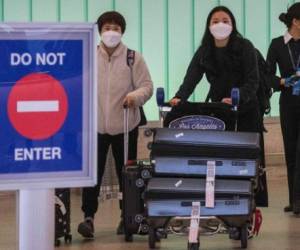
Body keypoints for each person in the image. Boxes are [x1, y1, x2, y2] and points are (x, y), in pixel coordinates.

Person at [170, 6, 268, 206]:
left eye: (225, 20)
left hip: (247, 109)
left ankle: (251, 203)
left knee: (247, 159)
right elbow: (191, 79)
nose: (220, 24)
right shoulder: (204, 51)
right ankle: (222, 199)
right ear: (208, 26)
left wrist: (238, 97)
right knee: (221, 159)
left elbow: (253, 80)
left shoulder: (245, 46)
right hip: (219, 110)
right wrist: (179, 97)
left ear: (232, 25)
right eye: (215, 21)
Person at [77, 11, 153, 238]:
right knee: (93, 175)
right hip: (96, 126)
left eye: (116, 28)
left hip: (126, 125)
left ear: (122, 32)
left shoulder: (133, 57)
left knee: (127, 176)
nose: (111, 32)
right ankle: (88, 218)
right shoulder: (88, 55)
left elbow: (146, 86)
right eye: (107, 27)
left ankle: (127, 217)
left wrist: (135, 96)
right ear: (100, 31)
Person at [267, 3, 300, 214]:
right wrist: (282, 82)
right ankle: (293, 199)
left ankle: (298, 200)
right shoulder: (277, 44)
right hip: (288, 101)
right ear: (296, 21)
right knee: (291, 149)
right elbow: (267, 74)